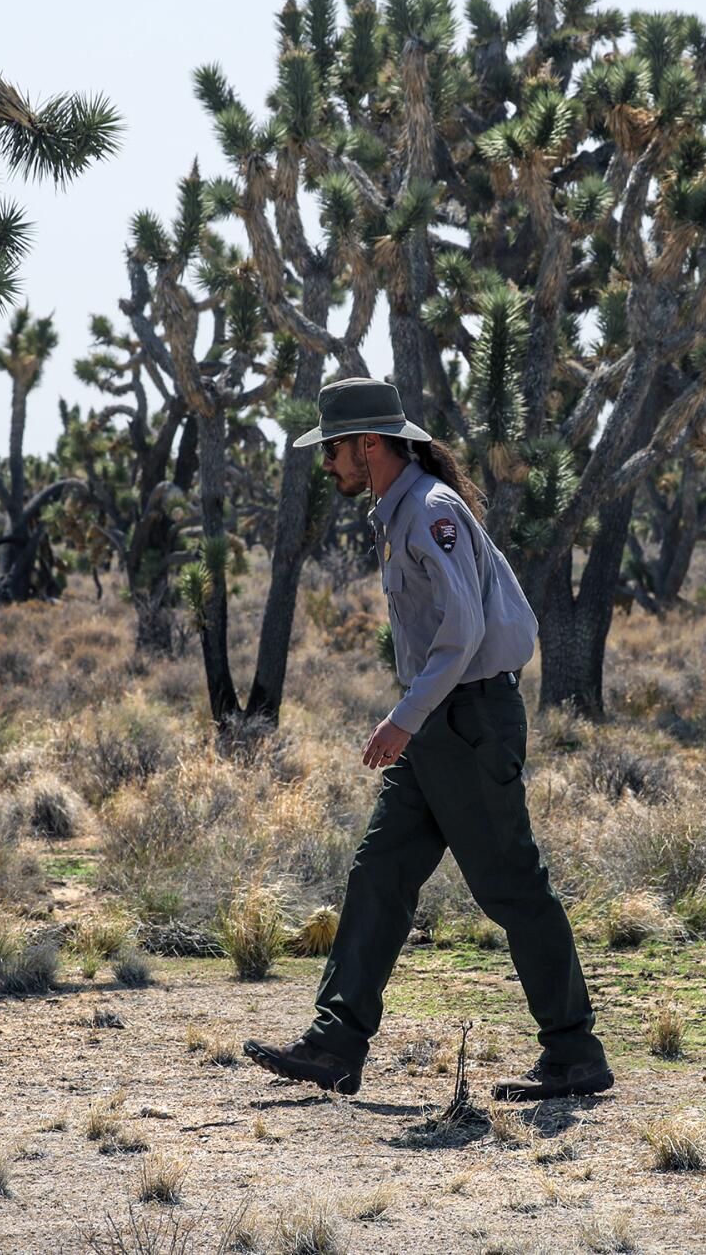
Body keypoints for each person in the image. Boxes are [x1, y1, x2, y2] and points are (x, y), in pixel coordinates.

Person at [244, 376, 612, 1103]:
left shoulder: (429, 510)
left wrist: (404, 716)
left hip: (465, 722)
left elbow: (467, 629)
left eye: (335, 451)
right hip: (444, 722)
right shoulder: (400, 510)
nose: (329, 465)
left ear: (369, 444)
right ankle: (337, 1043)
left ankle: (574, 1052)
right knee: (379, 871)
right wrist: (416, 717)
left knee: (511, 886)